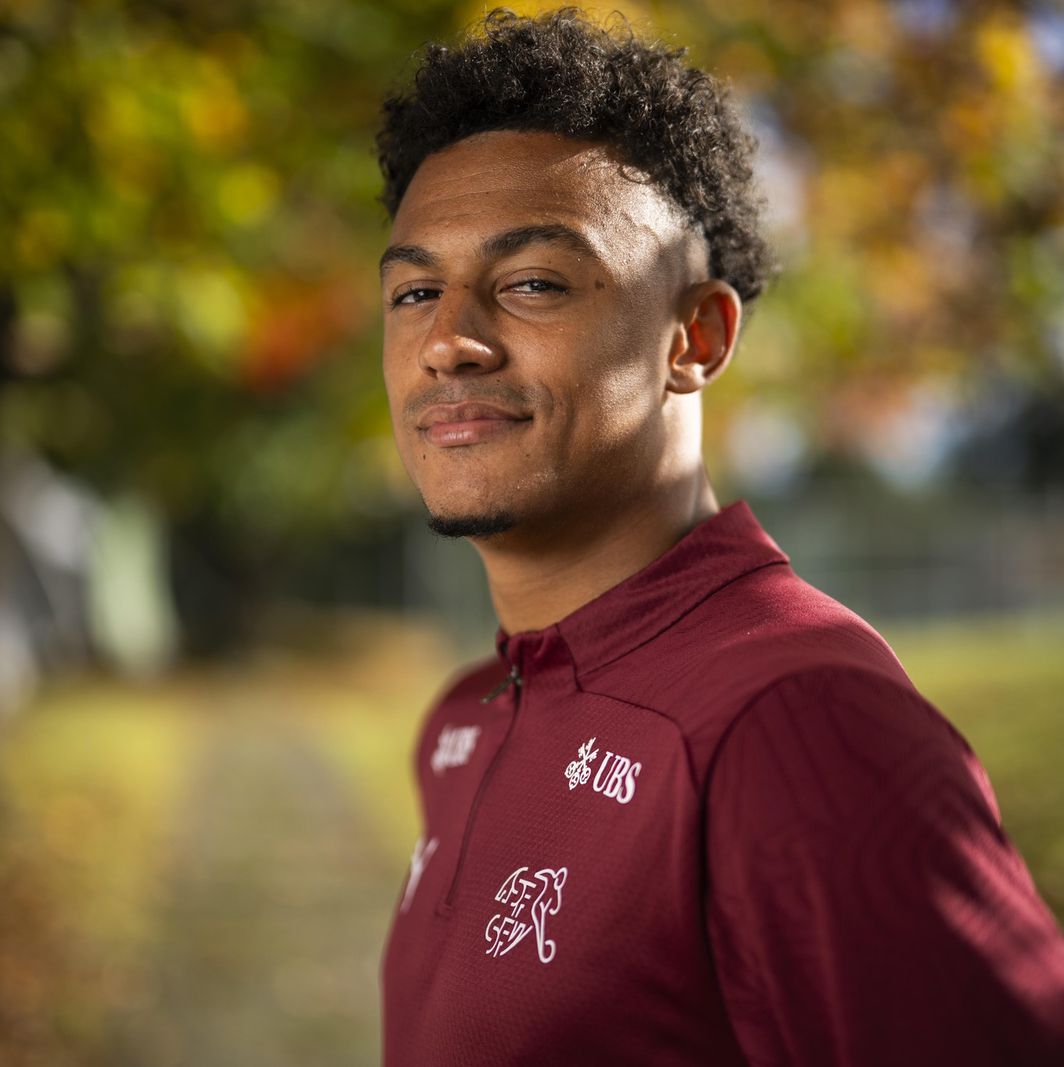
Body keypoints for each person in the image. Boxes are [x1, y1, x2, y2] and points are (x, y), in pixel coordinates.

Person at [374, 9, 1064, 1065]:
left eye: (531, 284)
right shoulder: (462, 715)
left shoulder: (799, 725)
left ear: (692, 339)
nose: (447, 340)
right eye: (414, 290)